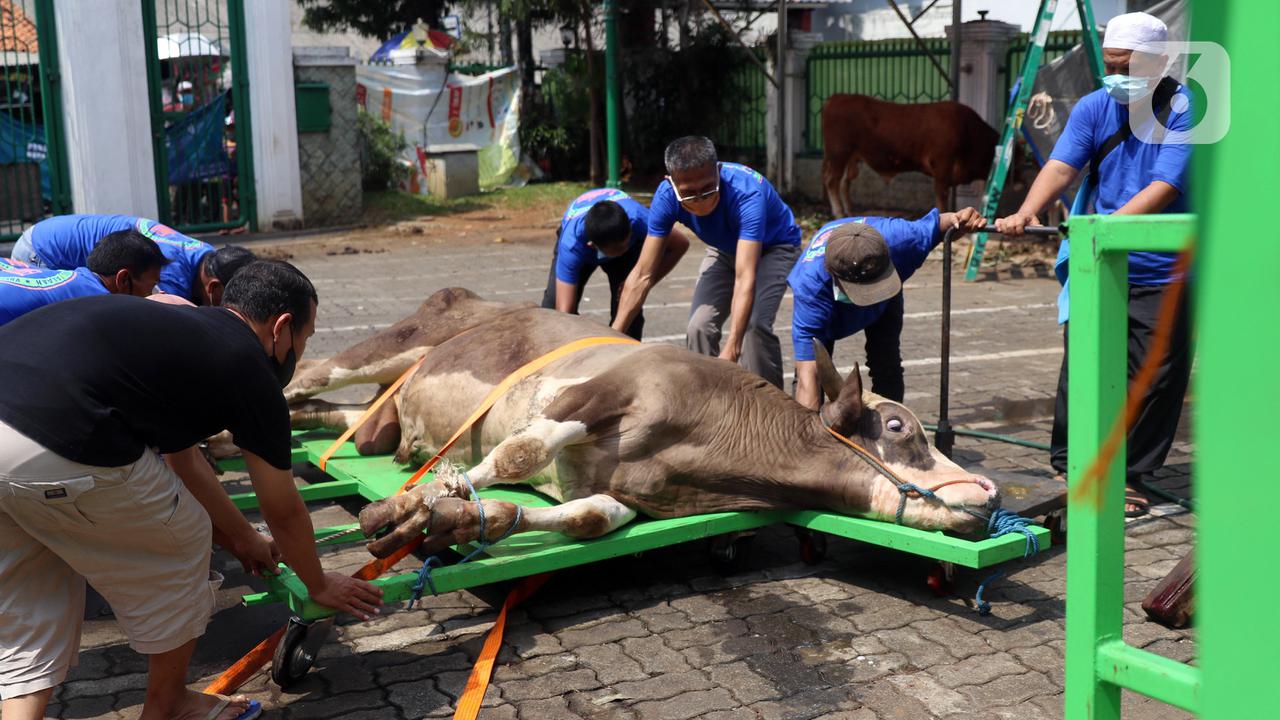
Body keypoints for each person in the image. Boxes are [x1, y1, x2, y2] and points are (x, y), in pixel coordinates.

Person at [0, 261, 382, 720]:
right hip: (59, 435)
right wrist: (318, 583)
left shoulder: (186, 332)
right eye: (306, 337)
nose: (301, 348)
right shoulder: (250, 369)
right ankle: (170, 704)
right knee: (185, 541)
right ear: (282, 328)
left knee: (34, 606)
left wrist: (243, 537)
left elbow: (185, 461)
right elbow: (282, 510)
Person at [995, 11, 1192, 518]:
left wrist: (1108, 229)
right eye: (1110, 64)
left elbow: (1165, 185)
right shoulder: (1094, 106)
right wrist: (1026, 209)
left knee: (1158, 373)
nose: (1116, 76)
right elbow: (1063, 165)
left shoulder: (1187, 110)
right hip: (1098, 259)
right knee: (1084, 363)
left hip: (1163, 269)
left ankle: (1129, 473)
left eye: (1126, 66)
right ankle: (1071, 460)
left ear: (1159, 62)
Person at [613, 137, 802, 388]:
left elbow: (745, 277)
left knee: (754, 326)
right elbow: (642, 274)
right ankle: (709, 401)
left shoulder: (747, 192)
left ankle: (770, 406)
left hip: (774, 248)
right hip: (725, 249)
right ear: (671, 182)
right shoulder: (666, 197)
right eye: (689, 193)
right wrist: (613, 337)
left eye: (708, 188)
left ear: (718, 172)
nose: (701, 200)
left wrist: (731, 350)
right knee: (698, 327)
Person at [791, 208, 988, 409]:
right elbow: (809, 377)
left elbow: (943, 223)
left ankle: (892, 431)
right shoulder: (811, 289)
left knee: (886, 362)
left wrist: (963, 218)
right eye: (865, 292)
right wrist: (810, 434)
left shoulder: (902, 238)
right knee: (819, 373)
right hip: (831, 308)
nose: (871, 299)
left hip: (889, 289)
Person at [540, 188, 689, 340]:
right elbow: (564, 313)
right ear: (593, 246)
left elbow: (680, 244)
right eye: (617, 250)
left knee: (631, 314)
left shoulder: (639, 219)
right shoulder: (571, 246)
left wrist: (643, 281)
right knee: (553, 314)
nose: (622, 251)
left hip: (620, 239)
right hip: (583, 247)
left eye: (625, 245)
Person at [11, 214, 256, 305]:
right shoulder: (168, 275)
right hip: (42, 252)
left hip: (52, 232)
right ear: (213, 289)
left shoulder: (206, 253)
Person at [0, 229, 167, 325]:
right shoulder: (100, 306)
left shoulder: (79, 281)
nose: (152, 293)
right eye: (151, 286)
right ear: (123, 280)